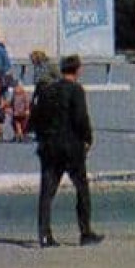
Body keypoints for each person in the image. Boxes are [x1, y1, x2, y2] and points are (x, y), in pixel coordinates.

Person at [29, 54, 103, 248]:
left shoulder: (48, 90)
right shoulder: (76, 90)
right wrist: (88, 138)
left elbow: (37, 117)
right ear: (77, 70)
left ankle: (44, 235)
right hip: (71, 148)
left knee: (47, 192)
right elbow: (80, 118)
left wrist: (43, 138)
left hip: (49, 148)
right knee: (82, 189)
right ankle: (85, 232)